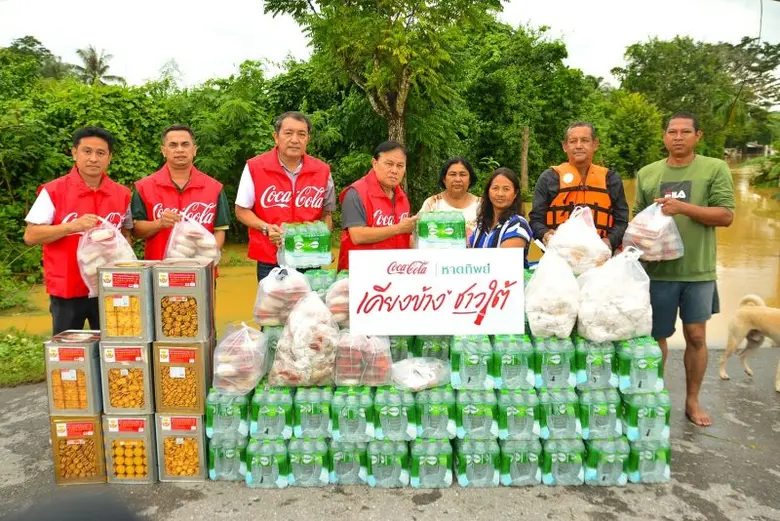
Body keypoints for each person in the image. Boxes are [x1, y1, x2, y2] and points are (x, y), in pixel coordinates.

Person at [635, 112, 735, 428]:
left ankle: (692, 400)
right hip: (657, 273)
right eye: (672, 132)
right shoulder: (648, 173)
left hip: (698, 270)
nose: (678, 137)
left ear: (697, 136)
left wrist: (683, 208)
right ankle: (653, 394)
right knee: (656, 337)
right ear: (664, 136)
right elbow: (638, 220)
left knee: (696, 335)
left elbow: (726, 215)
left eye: (685, 132)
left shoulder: (714, 168)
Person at [23, 127, 132, 334]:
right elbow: (31, 236)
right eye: (87, 151)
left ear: (109, 157)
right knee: (69, 349)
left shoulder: (122, 194)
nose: (93, 159)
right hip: (68, 288)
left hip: (110, 286)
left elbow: (126, 233)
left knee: (114, 344)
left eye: (100, 153)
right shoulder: (53, 190)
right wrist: (72, 226)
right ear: (75, 153)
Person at [235, 111, 336, 281]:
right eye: (288, 133)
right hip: (271, 259)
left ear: (308, 139)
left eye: (301, 134)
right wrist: (266, 227)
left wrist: (323, 246)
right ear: (276, 137)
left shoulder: (322, 170)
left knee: (310, 299)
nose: (295, 140)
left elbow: (326, 214)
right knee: (273, 299)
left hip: (309, 258)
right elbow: (241, 210)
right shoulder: (255, 167)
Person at [131, 125, 230, 260]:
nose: (179, 150)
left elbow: (220, 230)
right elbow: (136, 231)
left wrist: (208, 259)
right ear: (163, 151)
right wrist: (159, 223)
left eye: (185, 144)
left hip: (201, 268)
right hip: (159, 267)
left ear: (194, 150)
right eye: (173, 145)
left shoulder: (214, 188)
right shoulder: (144, 187)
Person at [529, 121, 629, 251]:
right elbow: (535, 220)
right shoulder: (548, 178)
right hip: (559, 254)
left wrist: (609, 241)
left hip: (600, 255)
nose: (579, 146)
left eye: (585, 140)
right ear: (565, 146)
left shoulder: (611, 179)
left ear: (595, 144)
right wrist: (546, 234)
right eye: (573, 141)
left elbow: (622, 221)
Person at [338, 141, 417, 270]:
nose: (394, 170)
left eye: (400, 166)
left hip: (394, 271)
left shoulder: (402, 196)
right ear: (374, 163)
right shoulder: (356, 193)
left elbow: (405, 237)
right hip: (361, 272)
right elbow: (357, 235)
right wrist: (398, 228)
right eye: (389, 164)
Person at [469, 167, 533, 266]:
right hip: (480, 275)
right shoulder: (482, 223)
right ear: (488, 191)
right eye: (495, 188)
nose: (500, 194)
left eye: (506, 189)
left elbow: (503, 263)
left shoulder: (518, 225)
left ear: (515, 194)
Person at [420, 157, 482, 237]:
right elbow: (420, 233)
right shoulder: (432, 203)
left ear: (470, 179)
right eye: (452, 174)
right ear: (444, 179)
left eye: (462, 174)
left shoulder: (481, 205)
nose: (457, 179)